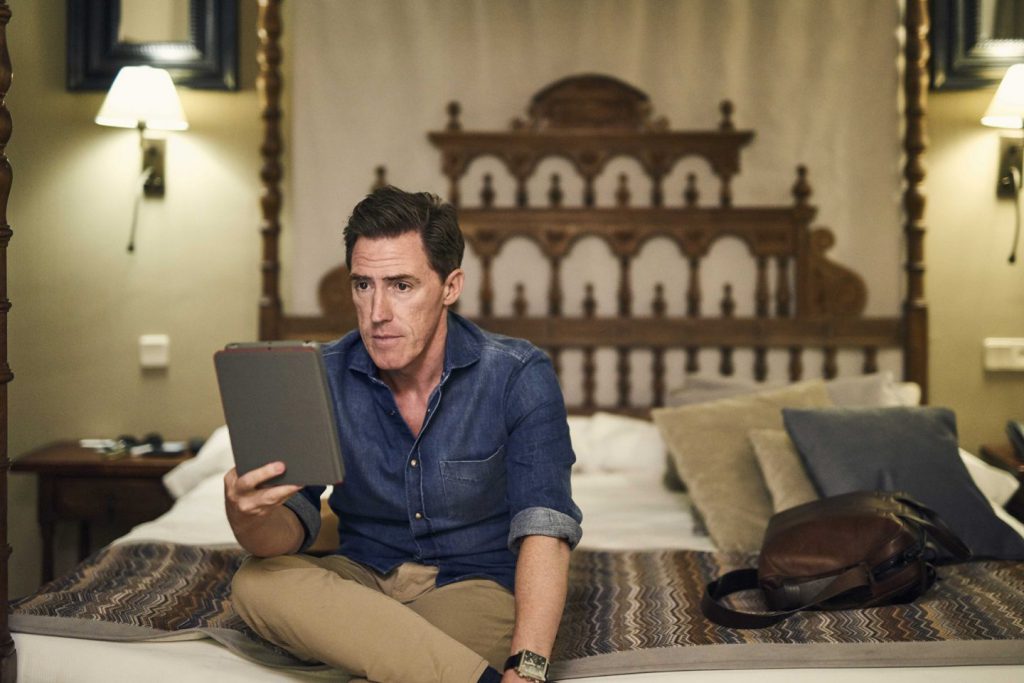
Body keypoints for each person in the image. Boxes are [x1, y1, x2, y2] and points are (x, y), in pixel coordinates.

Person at [226, 186, 582, 683]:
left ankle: (370, 650)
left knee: (432, 638)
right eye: (363, 285)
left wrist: (527, 670)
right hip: (360, 575)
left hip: (472, 585)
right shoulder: (321, 374)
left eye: (401, 285)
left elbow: (545, 529)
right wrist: (247, 518)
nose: (377, 312)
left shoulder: (517, 374)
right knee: (255, 582)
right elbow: (285, 535)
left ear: (450, 286)